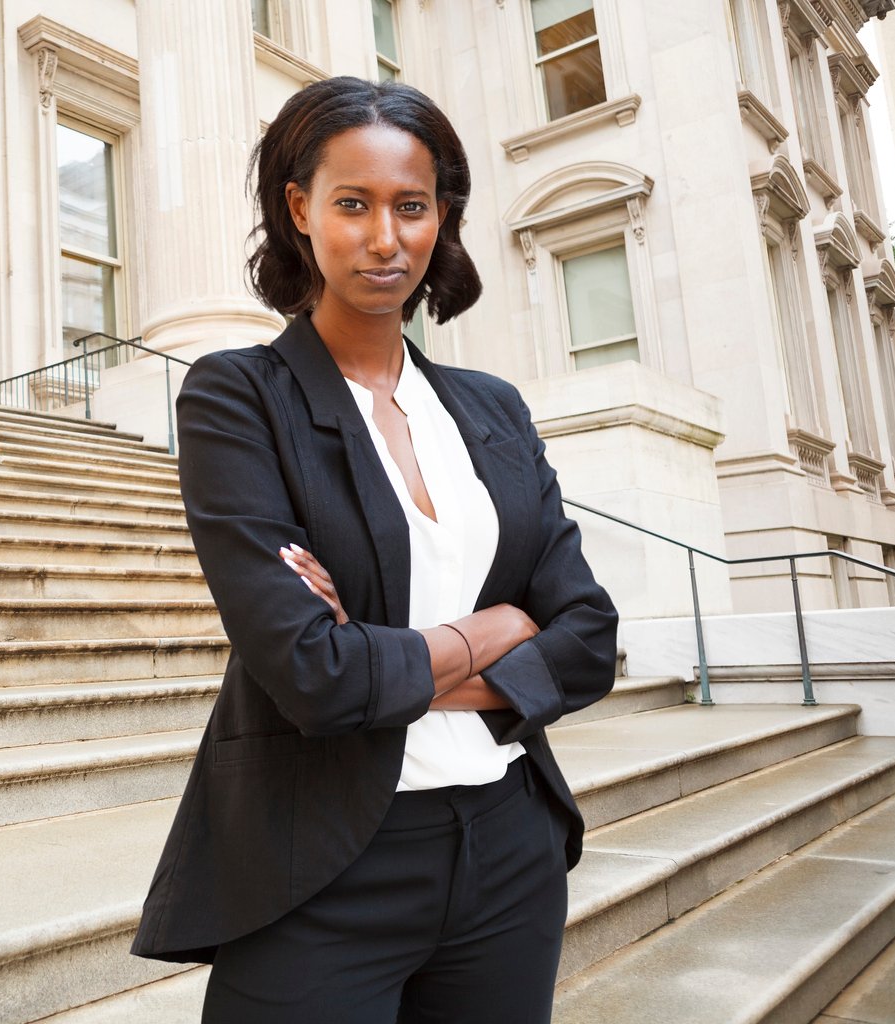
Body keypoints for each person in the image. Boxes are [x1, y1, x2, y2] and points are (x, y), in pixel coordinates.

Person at [131, 76, 618, 1024]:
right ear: (301, 208)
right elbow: (312, 674)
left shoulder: (492, 409)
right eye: (353, 204)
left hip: (508, 846)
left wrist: (388, 659)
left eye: (412, 206)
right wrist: (498, 630)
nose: (384, 238)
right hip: (321, 864)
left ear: (443, 218)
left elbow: (590, 637)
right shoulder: (239, 400)